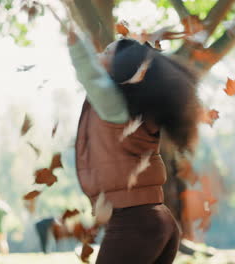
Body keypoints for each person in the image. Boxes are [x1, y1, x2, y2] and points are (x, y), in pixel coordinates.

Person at [67, 28, 201, 264]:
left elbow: (89, 74)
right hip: (156, 219)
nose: (99, 54)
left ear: (120, 67)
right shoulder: (136, 107)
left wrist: (73, 38)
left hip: (135, 222)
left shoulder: (114, 106)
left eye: (107, 53)